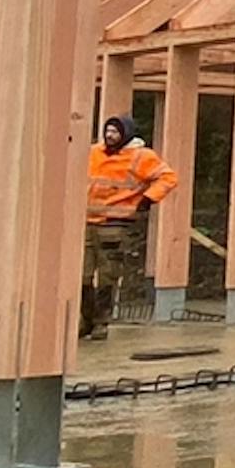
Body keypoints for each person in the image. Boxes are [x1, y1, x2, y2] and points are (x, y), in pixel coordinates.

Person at [83, 113, 175, 336]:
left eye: (115, 131)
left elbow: (168, 177)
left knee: (108, 276)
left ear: (125, 134)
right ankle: (85, 320)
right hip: (87, 222)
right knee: (82, 275)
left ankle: (100, 322)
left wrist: (148, 199)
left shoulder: (140, 156)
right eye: (108, 131)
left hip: (116, 224)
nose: (109, 135)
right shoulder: (94, 152)